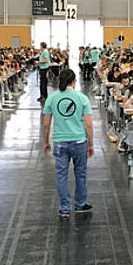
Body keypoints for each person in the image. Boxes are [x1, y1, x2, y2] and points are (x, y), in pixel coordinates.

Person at [41, 69, 93, 219]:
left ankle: (64, 208)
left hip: (60, 141)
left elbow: (46, 124)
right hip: (79, 141)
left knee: (61, 176)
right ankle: (80, 204)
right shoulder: (82, 98)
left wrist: (46, 142)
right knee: (81, 174)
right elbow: (88, 124)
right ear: (74, 81)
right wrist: (91, 143)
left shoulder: (52, 98)